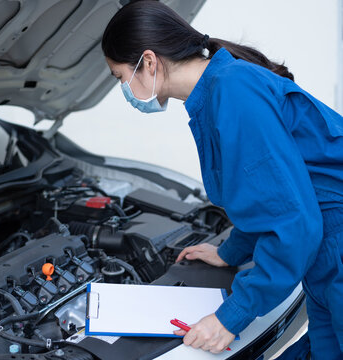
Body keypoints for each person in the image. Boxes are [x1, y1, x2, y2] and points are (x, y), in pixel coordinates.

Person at [101, 1, 343, 358]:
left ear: (148, 62)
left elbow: (295, 221)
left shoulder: (234, 93)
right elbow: (267, 194)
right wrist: (231, 251)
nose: (125, 89)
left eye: (121, 77)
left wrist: (231, 316)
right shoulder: (217, 91)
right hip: (324, 254)